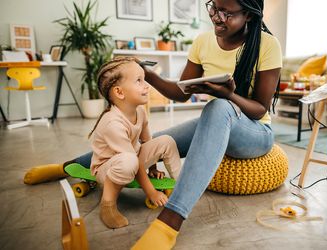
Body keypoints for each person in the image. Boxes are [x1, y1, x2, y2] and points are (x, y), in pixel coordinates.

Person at [25, 0, 281, 248]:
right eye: (214, 7)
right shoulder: (203, 41)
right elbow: (180, 93)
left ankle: (170, 222)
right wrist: (147, 74)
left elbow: (259, 110)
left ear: (248, 14)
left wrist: (229, 96)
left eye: (227, 13)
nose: (216, 17)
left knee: (218, 107)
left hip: (255, 134)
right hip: (221, 118)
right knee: (150, 143)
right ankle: (64, 167)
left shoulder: (267, 45)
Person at [88, 57, 182, 229]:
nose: (146, 85)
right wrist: (151, 192)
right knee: (129, 161)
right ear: (119, 92)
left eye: (144, 80)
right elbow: (134, 161)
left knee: (166, 141)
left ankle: (182, 185)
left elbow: (147, 141)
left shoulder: (140, 111)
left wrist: (154, 169)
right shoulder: (112, 123)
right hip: (107, 168)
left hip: (132, 157)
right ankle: (107, 204)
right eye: (139, 81)